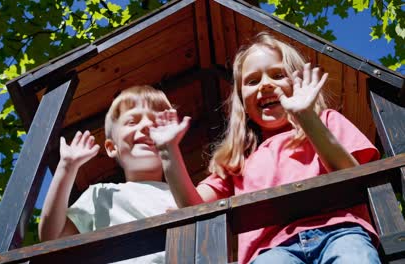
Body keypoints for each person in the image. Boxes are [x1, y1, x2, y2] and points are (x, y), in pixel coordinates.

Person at [150, 32, 381, 263]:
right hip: (270, 250)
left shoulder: (326, 122)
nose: (266, 84)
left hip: (340, 231)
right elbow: (193, 206)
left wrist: (306, 117)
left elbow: (353, 176)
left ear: (298, 83)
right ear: (242, 100)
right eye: (252, 81)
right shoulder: (238, 159)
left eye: (278, 74)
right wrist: (167, 151)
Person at [38, 85, 177, 263]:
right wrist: (66, 168)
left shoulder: (184, 194)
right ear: (112, 148)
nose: (147, 125)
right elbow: (52, 237)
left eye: (157, 122)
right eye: (132, 122)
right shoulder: (102, 194)